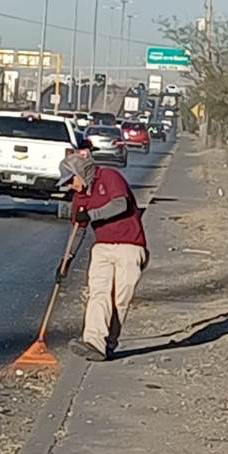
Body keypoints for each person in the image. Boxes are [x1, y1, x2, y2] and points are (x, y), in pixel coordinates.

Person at [58, 154, 148, 362]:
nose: (71, 186)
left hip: (130, 245)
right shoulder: (79, 198)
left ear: (80, 173)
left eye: (71, 180)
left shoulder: (109, 177)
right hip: (102, 247)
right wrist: (67, 258)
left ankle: (109, 342)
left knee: (120, 299)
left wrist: (92, 215)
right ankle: (93, 342)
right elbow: (78, 230)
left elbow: (121, 205)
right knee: (99, 293)